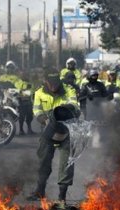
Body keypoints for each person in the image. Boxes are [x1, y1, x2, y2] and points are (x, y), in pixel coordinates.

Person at [27, 70, 80, 202]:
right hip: (48, 130)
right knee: (43, 161)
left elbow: (75, 105)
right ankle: (40, 191)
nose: (54, 86)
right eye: (51, 83)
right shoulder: (39, 93)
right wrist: (45, 119)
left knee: (66, 164)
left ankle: (62, 196)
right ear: (46, 82)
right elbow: (37, 110)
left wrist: (65, 108)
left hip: (67, 130)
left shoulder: (69, 90)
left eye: (56, 83)